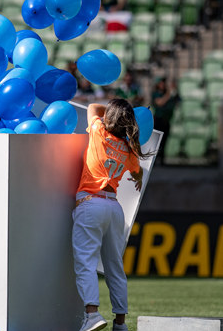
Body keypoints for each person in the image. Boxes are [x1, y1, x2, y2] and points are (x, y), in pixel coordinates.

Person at [73, 99, 149, 331]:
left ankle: (92, 315)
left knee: (85, 263)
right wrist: (138, 179)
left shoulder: (98, 131)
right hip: (114, 208)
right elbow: (138, 174)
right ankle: (121, 323)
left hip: (90, 203)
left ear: (110, 118)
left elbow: (93, 106)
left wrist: (114, 113)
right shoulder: (129, 150)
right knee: (115, 268)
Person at [151, 77, 179, 165]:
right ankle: (154, 160)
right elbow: (159, 102)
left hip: (166, 120)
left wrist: (174, 90)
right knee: (156, 141)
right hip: (158, 120)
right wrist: (168, 94)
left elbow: (176, 101)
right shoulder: (156, 94)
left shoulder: (168, 94)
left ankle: (162, 159)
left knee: (164, 141)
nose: (163, 85)